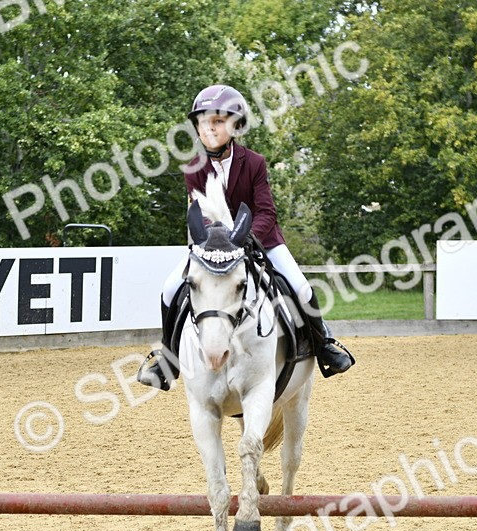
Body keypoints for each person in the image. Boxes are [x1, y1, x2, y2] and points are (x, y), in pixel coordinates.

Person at [137, 84, 355, 390]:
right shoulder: (193, 167)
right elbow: (199, 214)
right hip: (210, 248)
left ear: (235, 125)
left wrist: (244, 237)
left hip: (261, 241)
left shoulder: (254, 162)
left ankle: (324, 347)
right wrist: (217, 241)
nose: (208, 129)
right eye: (203, 123)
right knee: (169, 288)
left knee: (302, 288)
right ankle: (168, 360)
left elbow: (266, 211)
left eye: (216, 122)